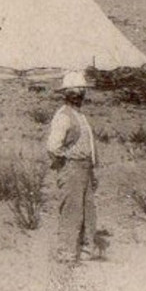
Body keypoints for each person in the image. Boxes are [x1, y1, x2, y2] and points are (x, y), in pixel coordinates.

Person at [45, 70, 100, 262]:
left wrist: (91, 168)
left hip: (85, 168)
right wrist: (67, 159)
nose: (78, 95)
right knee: (71, 210)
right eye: (74, 92)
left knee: (88, 210)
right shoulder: (63, 116)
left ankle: (86, 250)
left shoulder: (79, 115)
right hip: (72, 167)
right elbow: (53, 146)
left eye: (81, 91)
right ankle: (66, 253)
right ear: (66, 94)